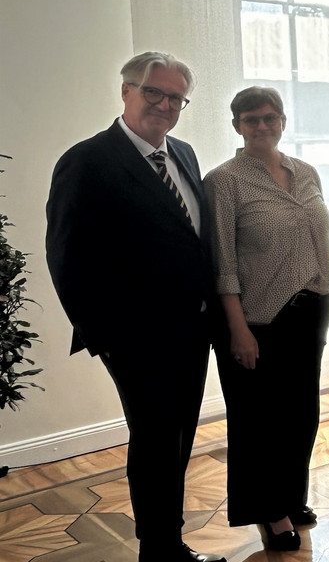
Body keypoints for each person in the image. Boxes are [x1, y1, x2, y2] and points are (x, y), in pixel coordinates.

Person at [45, 52, 226, 562]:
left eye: (175, 98)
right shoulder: (87, 161)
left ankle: (166, 540)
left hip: (192, 329)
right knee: (154, 439)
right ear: (126, 91)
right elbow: (66, 257)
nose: (164, 105)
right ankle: (161, 548)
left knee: (177, 436)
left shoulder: (184, 154)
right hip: (135, 340)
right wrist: (108, 340)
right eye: (154, 92)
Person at [204, 87, 329, 550]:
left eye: (270, 118)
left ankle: (291, 495)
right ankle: (271, 510)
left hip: (311, 311)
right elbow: (222, 262)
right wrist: (238, 329)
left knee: (301, 415)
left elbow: (319, 236)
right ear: (237, 125)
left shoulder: (305, 171)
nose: (262, 126)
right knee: (260, 421)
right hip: (256, 320)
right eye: (251, 119)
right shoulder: (225, 181)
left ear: (283, 120)